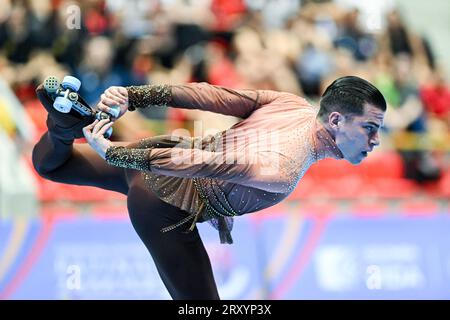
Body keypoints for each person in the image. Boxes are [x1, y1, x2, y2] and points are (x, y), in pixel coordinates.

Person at [32, 76, 386, 299]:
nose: (375, 141)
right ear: (337, 120)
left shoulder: (293, 104)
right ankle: (68, 125)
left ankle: (63, 124)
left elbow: (211, 96)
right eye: (370, 128)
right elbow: (204, 165)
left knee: (52, 165)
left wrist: (136, 95)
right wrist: (119, 154)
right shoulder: (285, 166)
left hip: (163, 154)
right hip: (163, 201)